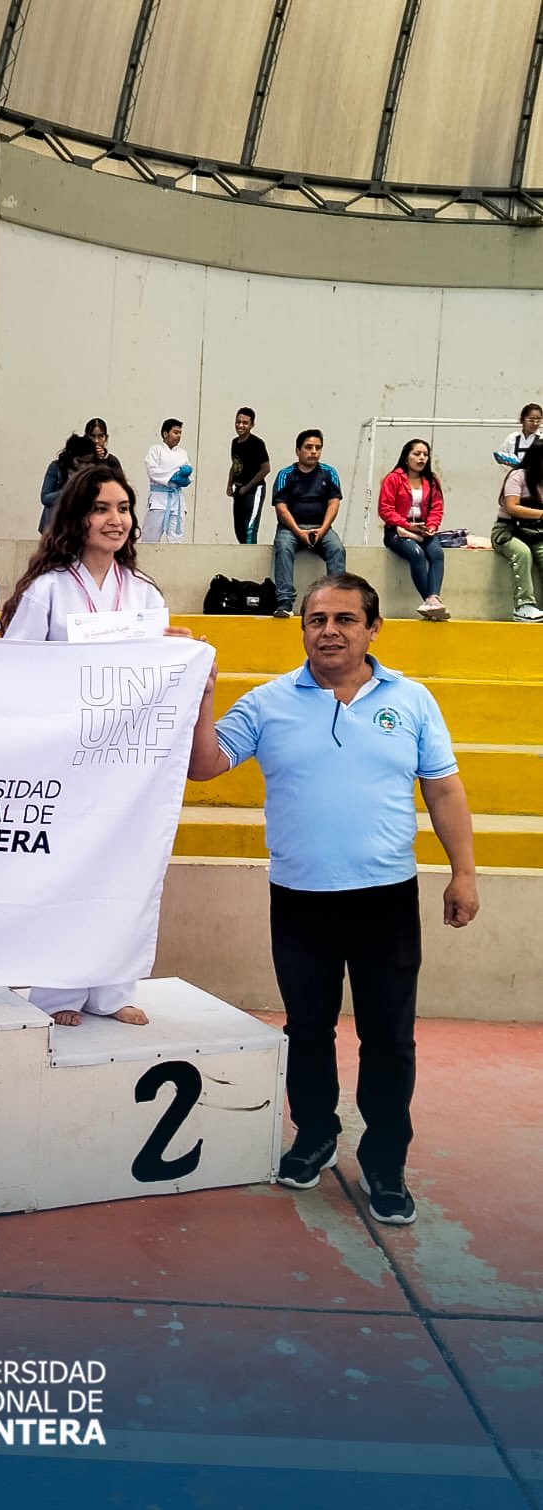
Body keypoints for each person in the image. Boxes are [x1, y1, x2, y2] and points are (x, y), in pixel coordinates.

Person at [187, 573, 479, 1226]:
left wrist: (464, 872)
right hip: (300, 899)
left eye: (346, 619)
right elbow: (203, 766)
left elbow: (444, 790)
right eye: (317, 620)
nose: (330, 631)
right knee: (307, 1028)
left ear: (374, 629)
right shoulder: (267, 703)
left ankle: (385, 1163)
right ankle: (315, 1134)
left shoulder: (412, 701)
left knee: (388, 1038)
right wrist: (202, 697)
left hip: (386, 899)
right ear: (303, 630)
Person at [2, 463, 170, 1027]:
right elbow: (16, 670)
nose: (115, 519)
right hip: (63, 756)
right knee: (68, 873)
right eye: (101, 509)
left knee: (124, 873)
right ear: (77, 517)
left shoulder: (144, 593)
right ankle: (58, 992)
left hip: (126, 760)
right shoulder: (48, 589)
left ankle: (112, 988)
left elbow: (158, 674)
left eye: (123, 509)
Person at [270, 429, 345, 618]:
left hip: (321, 527)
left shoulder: (329, 473)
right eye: (309, 447)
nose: (314, 452)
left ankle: (336, 602)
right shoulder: (285, 475)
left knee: (337, 549)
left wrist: (322, 530)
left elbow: (334, 503)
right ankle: (285, 603)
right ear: (298, 450)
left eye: (318, 448)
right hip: (290, 528)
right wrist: (298, 532)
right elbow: (281, 508)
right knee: (283, 546)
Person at [378, 439, 448, 620]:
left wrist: (431, 526)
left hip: (423, 529)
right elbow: (385, 509)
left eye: (425, 455)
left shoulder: (432, 480)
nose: (422, 458)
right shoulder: (393, 479)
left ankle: (433, 599)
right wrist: (407, 525)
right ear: (406, 457)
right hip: (397, 531)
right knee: (417, 554)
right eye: (417, 454)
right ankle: (430, 601)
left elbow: (437, 507)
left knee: (437, 553)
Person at [491, 440, 543, 622]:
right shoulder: (518, 476)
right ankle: (523, 606)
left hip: (536, 533)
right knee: (522, 553)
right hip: (507, 531)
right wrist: (541, 514)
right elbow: (512, 507)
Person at [141, 419, 192, 543]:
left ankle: (175, 556)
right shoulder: (155, 450)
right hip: (158, 499)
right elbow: (153, 471)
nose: (178, 436)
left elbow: (188, 472)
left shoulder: (182, 453)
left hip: (177, 499)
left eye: (180, 433)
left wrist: (185, 479)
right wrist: (173, 476)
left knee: (176, 538)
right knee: (150, 537)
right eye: (175, 432)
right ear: (165, 434)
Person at [226, 408, 270, 545]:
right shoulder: (235, 442)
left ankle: (251, 557)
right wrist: (229, 484)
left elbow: (266, 469)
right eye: (238, 422)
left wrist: (248, 487)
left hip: (254, 490)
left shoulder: (257, 443)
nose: (240, 425)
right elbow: (235, 464)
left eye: (245, 423)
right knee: (239, 529)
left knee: (250, 528)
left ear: (252, 425)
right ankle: (244, 554)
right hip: (239, 490)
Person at [39, 432, 97, 532]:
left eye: (87, 463)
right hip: (55, 526)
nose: (83, 466)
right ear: (71, 456)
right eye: (79, 461)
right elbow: (45, 498)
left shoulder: (94, 472)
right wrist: (70, 489)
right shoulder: (56, 467)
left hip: (81, 527)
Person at [493, 402, 542, 467]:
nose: (535, 424)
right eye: (531, 420)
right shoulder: (512, 438)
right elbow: (501, 456)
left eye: (538, 420)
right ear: (522, 420)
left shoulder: (541, 438)